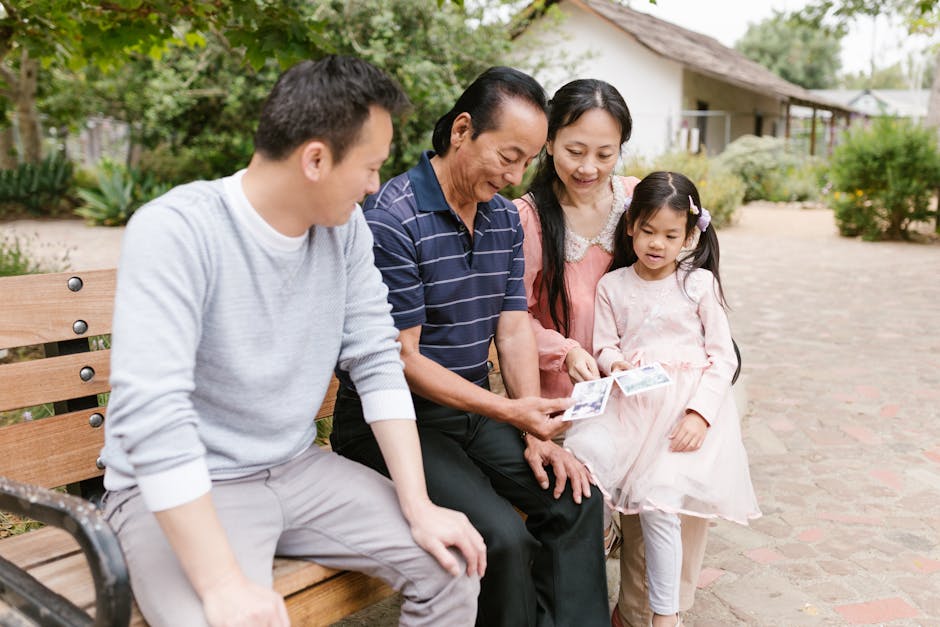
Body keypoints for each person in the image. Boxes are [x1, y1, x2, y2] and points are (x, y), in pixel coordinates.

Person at [99, 55, 485, 627]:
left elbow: (378, 360)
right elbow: (154, 417)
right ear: (315, 159)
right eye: (371, 166)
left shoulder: (346, 229)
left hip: (299, 469)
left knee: (451, 563)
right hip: (189, 486)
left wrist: (419, 506)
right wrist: (225, 586)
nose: (377, 185)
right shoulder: (177, 230)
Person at [330, 66, 610, 627]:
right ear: (462, 130)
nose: (514, 176)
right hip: (396, 424)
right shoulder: (393, 217)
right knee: (500, 538)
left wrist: (535, 432)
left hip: (474, 415)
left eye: (527, 161)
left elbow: (512, 329)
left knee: (576, 500)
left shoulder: (505, 219)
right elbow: (401, 361)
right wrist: (510, 411)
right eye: (508, 156)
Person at [514, 79, 712, 627]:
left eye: (605, 153)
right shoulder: (527, 219)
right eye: (575, 150)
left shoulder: (638, 200)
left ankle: (643, 613)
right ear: (550, 141)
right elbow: (511, 319)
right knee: (587, 497)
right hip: (573, 395)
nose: (588, 166)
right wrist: (563, 349)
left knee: (664, 497)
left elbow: (690, 276)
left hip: (647, 392)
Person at [564, 171, 762, 627]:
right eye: (648, 231)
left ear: (690, 235)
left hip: (682, 417)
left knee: (658, 501)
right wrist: (615, 365)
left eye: (671, 235)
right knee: (580, 461)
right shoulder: (613, 286)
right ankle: (580, 585)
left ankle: (664, 614)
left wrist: (700, 414)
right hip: (633, 410)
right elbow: (605, 344)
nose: (657, 244)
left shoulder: (699, 285)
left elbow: (722, 358)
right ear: (630, 225)